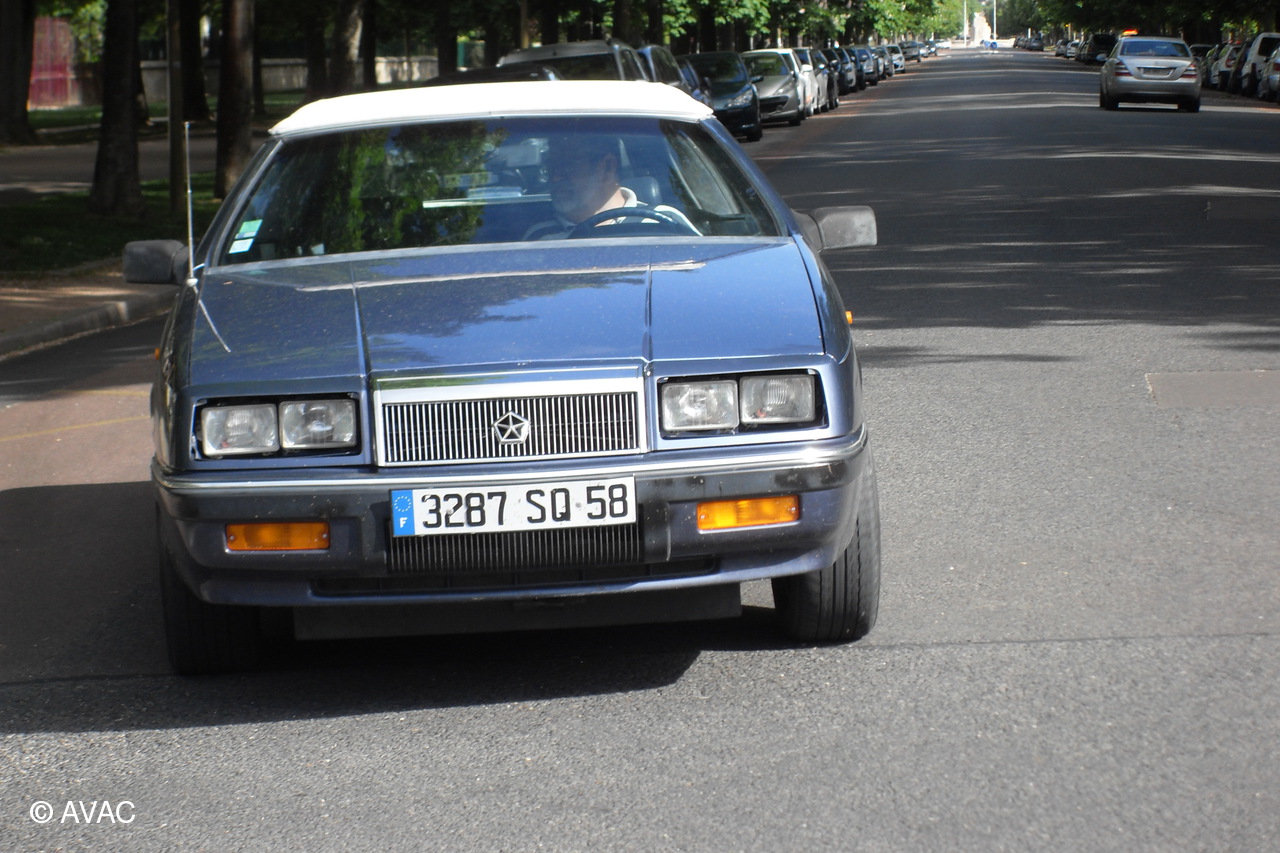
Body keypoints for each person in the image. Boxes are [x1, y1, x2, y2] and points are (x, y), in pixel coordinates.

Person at [523, 135, 697, 240]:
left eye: (568, 165)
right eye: (551, 166)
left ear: (608, 167)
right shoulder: (540, 236)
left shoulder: (664, 222)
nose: (555, 177)